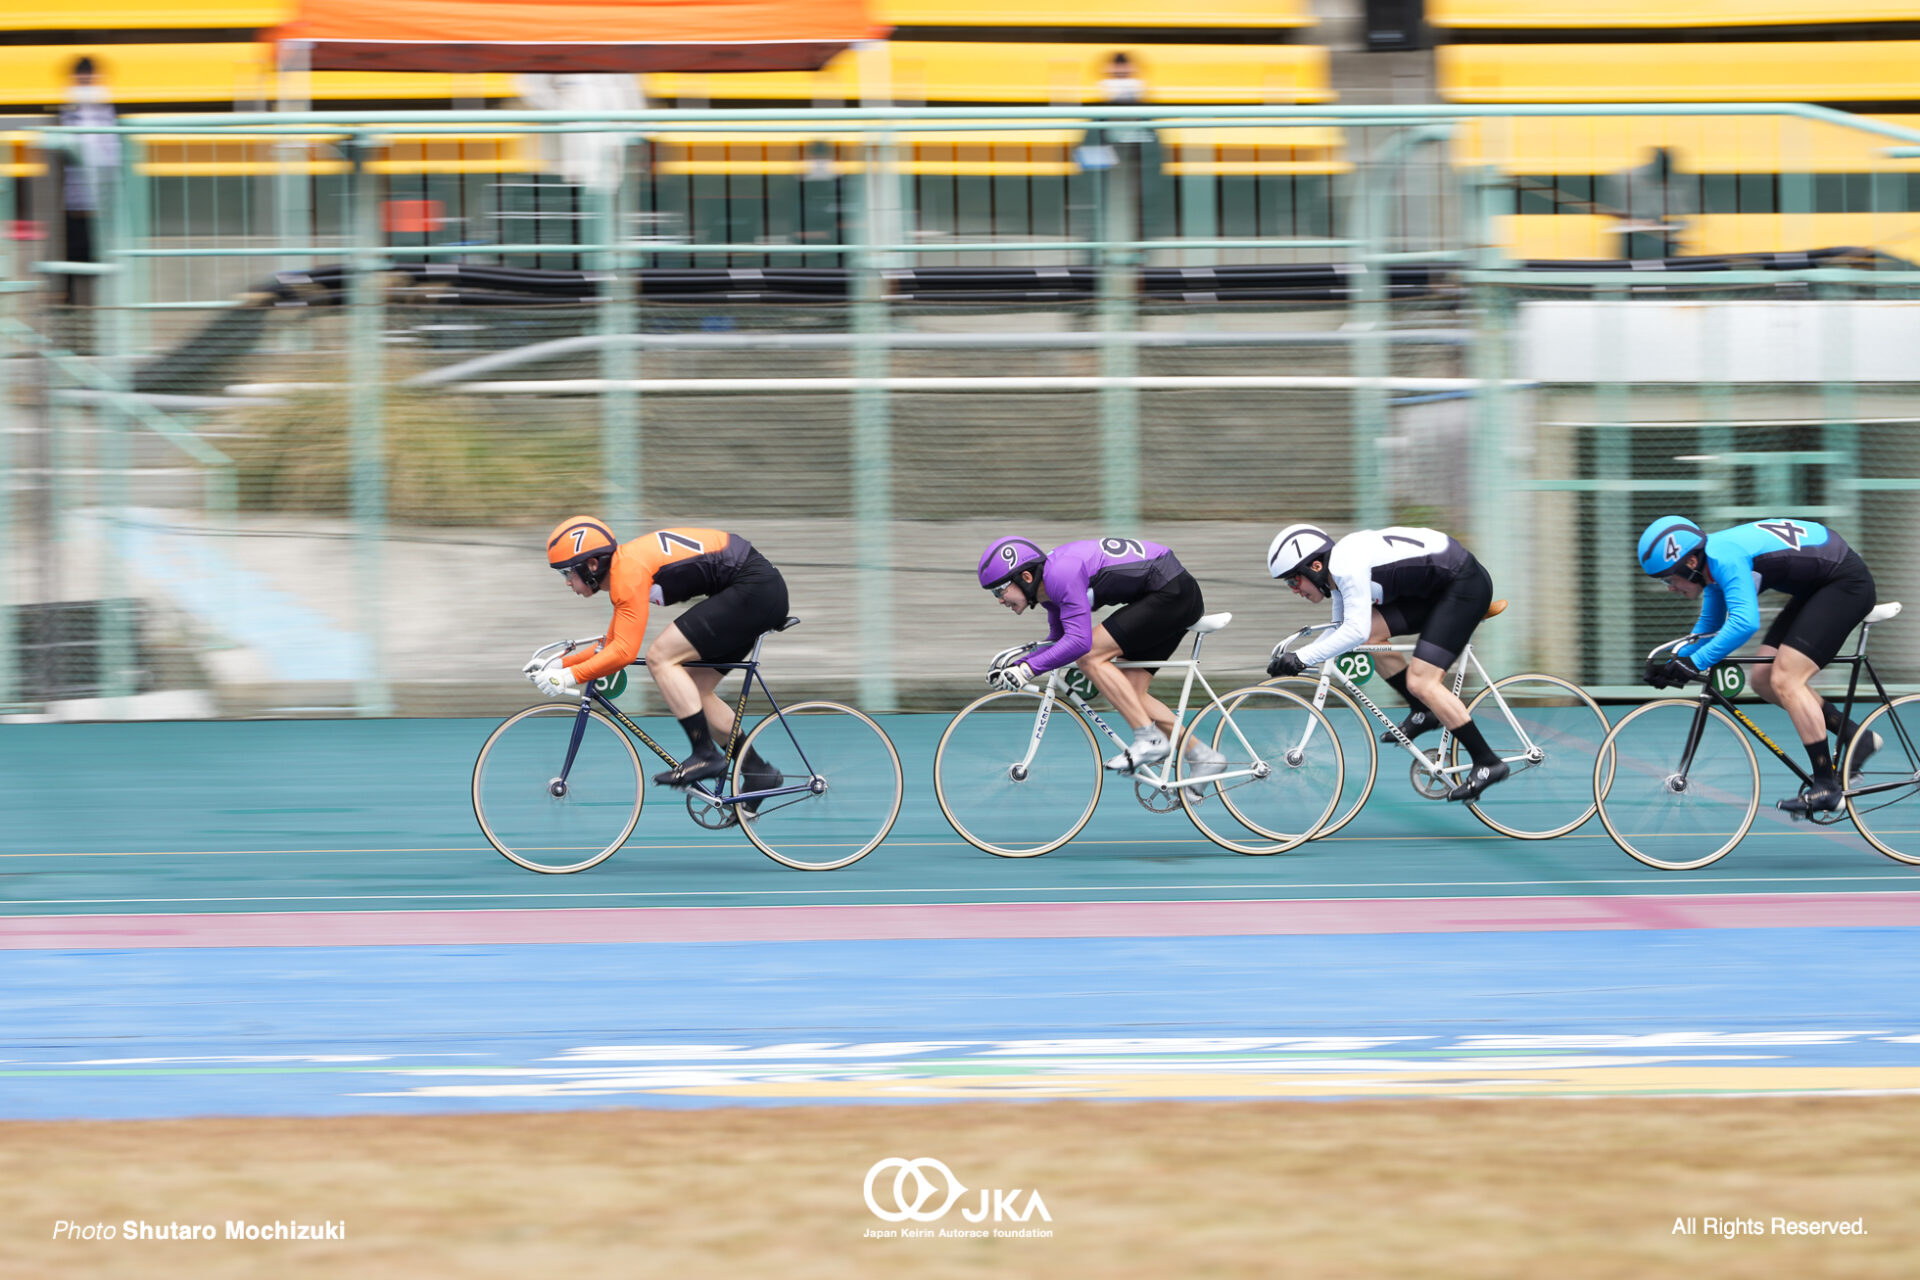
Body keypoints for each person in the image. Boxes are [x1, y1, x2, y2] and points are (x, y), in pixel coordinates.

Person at [529, 516, 788, 803]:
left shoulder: (628, 572)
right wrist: (558, 666)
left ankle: (705, 755)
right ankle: (757, 770)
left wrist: (568, 678)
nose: (567, 583)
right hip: (755, 590)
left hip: (754, 588)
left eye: (568, 573)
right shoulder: (624, 569)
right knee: (691, 688)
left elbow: (624, 653)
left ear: (592, 565)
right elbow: (612, 645)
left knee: (660, 657)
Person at [1637, 515, 1880, 814]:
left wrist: (1695, 661)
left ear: (1689, 563)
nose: (1669, 588)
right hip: (1818, 588)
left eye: (1668, 579)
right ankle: (1857, 737)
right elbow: (1709, 626)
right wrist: (1674, 660)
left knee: (1787, 679)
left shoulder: (1724, 558)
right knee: (1763, 678)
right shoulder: (1711, 568)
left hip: (1845, 584)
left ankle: (1827, 787)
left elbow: (1743, 623)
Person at [1264, 523, 1509, 802]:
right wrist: (1297, 655)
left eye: (1293, 581)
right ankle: (1423, 712)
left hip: (1463, 587)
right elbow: (1342, 628)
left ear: (1315, 566)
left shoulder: (1344, 566)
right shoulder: (1338, 572)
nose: (1294, 590)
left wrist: (1301, 658)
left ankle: (1487, 761)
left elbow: (1350, 631)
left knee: (1422, 681)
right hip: (1438, 590)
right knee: (1370, 636)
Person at [977, 534, 1225, 778]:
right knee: (1129, 693)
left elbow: (1079, 642)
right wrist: (1015, 664)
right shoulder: (1048, 591)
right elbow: (1058, 640)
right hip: (1168, 593)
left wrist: (1027, 670)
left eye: (999, 591)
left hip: (1171, 592)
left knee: (1090, 657)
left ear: (1026, 577)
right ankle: (1202, 756)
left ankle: (1149, 740)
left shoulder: (1061, 574)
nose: (999, 600)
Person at [55, 55, 118, 310]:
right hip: (74, 197)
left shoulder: (105, 110)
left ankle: (96, 310)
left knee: (95, 257)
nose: (84, 82)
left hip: (97, 199)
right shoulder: (68, 111)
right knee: (73, 256)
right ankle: (72, 310)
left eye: (87, 76)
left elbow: (109, 152)